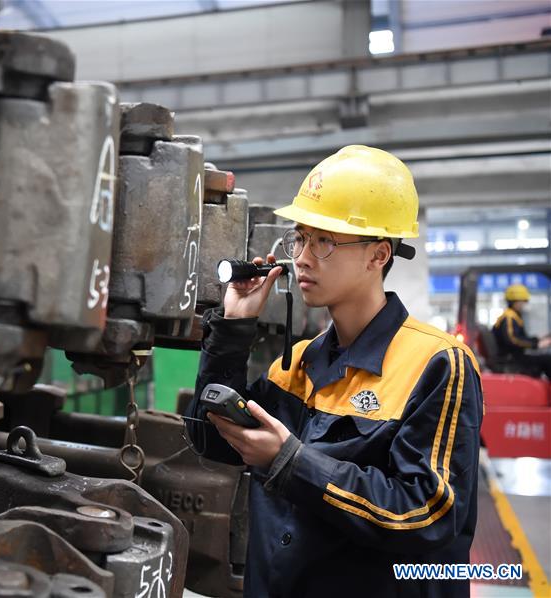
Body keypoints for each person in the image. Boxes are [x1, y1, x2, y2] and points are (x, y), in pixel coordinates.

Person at [185, 145, 484, 597]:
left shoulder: (436, 364)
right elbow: (212, 441)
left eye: (324, 240)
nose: (303, 257)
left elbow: (426, 514)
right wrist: (233, 330)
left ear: (378, 255)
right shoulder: (297, 364)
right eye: (300, 238)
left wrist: (291, 462)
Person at [492, 283, 551, 378]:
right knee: (548, 360)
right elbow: (513, 339)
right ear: (515, 302)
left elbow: (519, 337)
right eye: (523, 301)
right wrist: (536, 344)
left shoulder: (513, 316)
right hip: (511, 359)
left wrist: (537, 340)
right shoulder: (509, 318)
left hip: (514, 357)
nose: (524, 304)